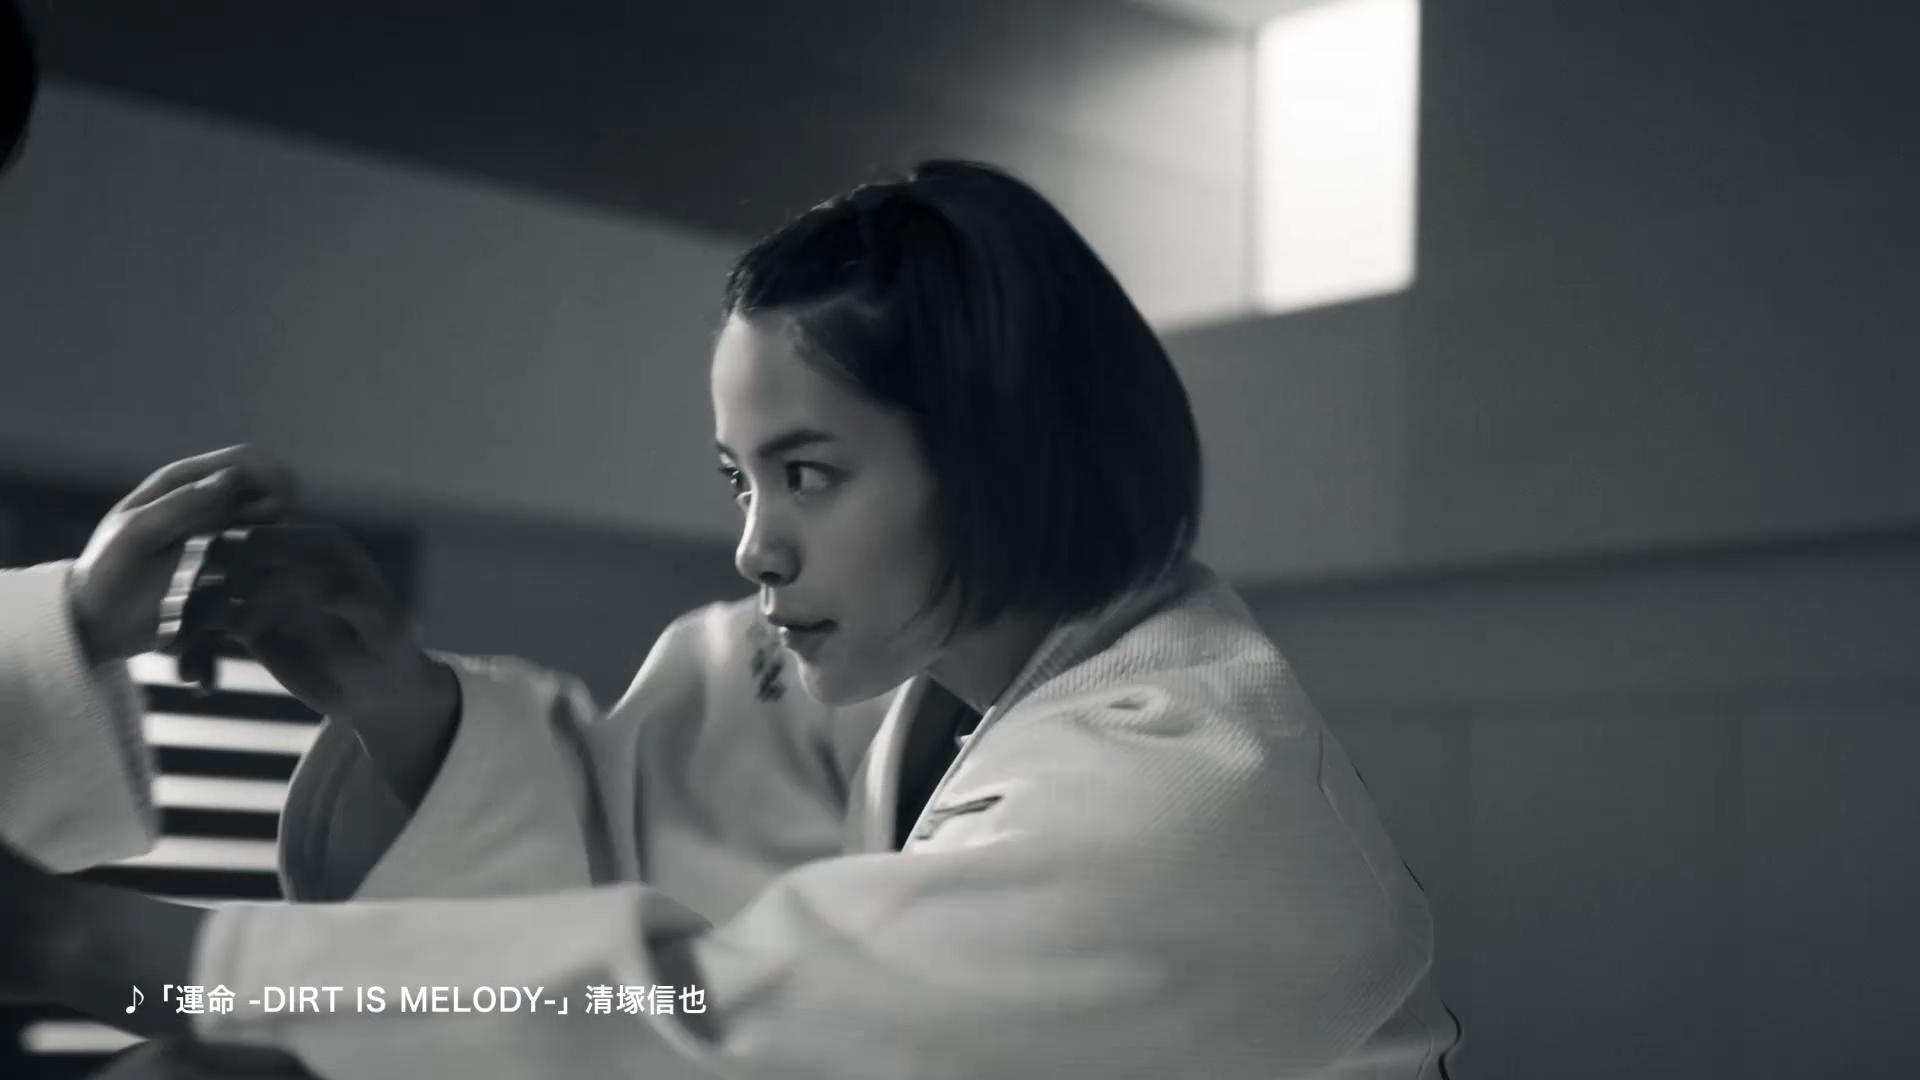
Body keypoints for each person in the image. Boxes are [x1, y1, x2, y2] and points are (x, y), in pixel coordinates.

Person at [1, 158, 1464, 1078]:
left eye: (809, 475)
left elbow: (695, 1018)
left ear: (1004, 458)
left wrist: (131, 954)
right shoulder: (904, 676)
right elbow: (622, 816)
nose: (756, 548)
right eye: (740, 479)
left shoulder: (1185, 794)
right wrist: (405, 711)